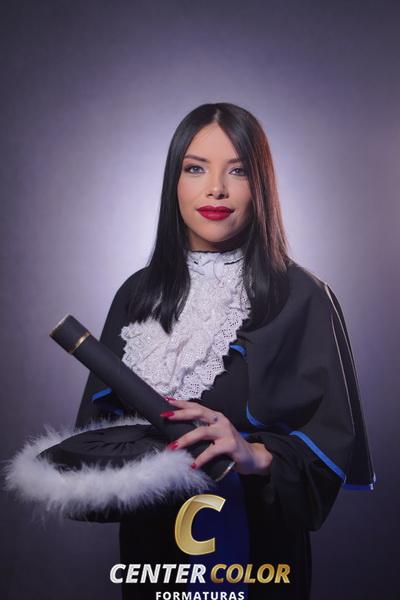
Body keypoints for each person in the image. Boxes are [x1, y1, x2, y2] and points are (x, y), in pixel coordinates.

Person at [75, 102, 375, 600]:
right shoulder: (137, 294)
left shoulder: (302, 296)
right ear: (174, 183)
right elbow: (97, 441)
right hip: (153, 554)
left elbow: (325, 455)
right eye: (196, 169)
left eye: (238, 171)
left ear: (262, 186)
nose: (216, 188)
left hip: (259, 555)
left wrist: (252, 454)